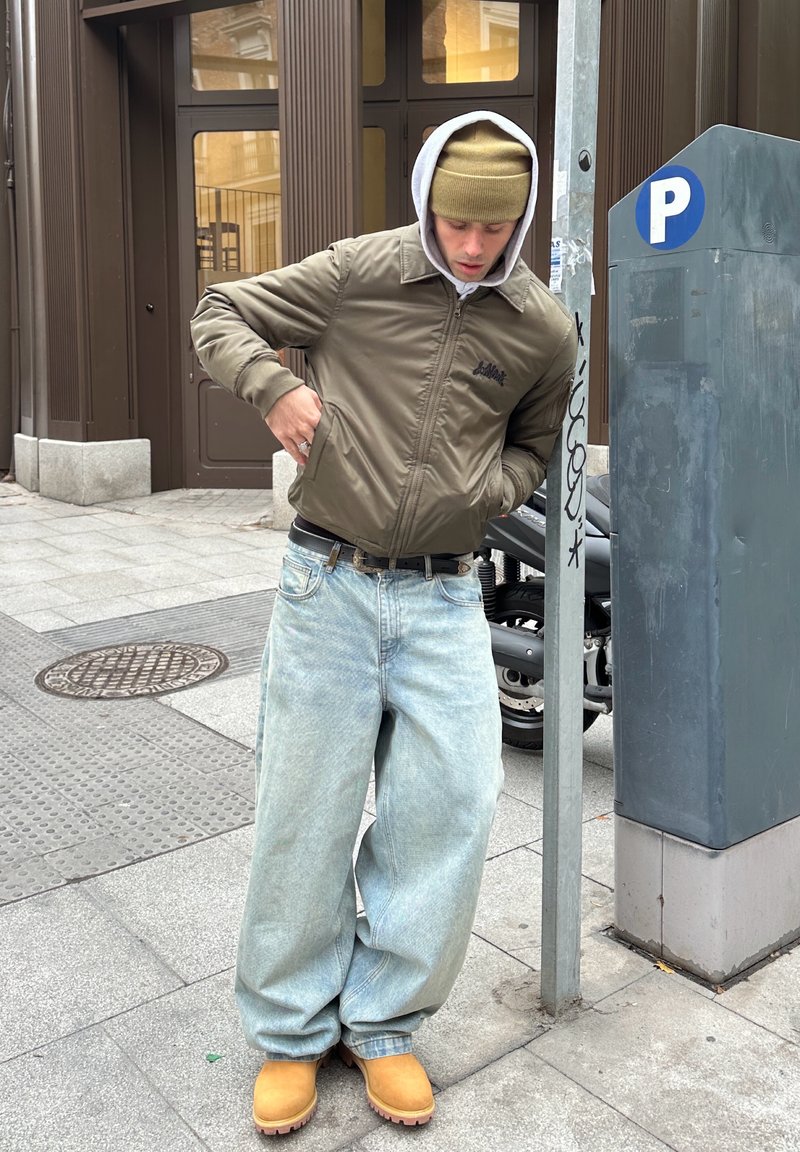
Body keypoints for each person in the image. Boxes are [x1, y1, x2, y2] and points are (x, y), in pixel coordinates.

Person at [191, 110, 577, 1136]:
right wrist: (273, 388)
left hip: (448, 593)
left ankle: (384, 1021)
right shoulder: (361, 271)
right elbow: (218, 308)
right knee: (304, 810)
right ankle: (286, 1031)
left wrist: (488, 491)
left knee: (449, 807)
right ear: (425, 202)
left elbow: (540, 441)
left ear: (519, 219)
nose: (468, 244)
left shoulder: (540, 326)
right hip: (328, 581)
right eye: (454, 220)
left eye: (491, 227)